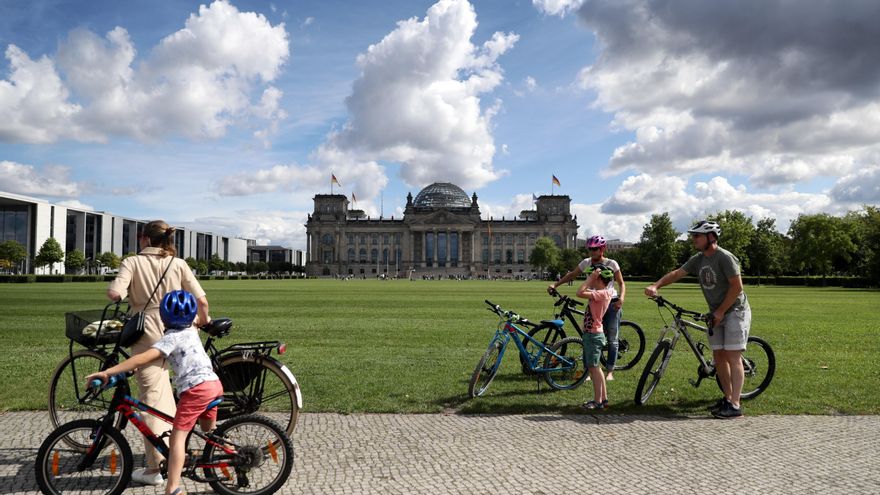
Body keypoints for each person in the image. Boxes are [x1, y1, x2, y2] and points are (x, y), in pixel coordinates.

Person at [87, 290, 222, 495]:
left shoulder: (170, 338)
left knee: (177, 440)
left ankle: (172, 488)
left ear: (163, 316)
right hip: (213, 383)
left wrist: (108, 371)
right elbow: (203, 305)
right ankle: (233, 456)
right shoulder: (192, 328)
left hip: (195, 390)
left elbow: (143, 357)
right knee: (208, 430)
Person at [106, 220, 210, 485]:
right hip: (181, 331)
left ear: (144, 238)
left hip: (147, 332)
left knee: (152, 398)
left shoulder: (132, 262)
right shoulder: (178, 263)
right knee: (187, 387)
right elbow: (202, 300)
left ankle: (155, 468)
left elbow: (115, 292)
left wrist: (117, 294)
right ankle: (194, 443)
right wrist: (203, 321)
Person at [644, 220, 751, 419]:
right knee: (718, 356)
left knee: (732, 356)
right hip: (716, 313)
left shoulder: (725, 258)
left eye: (697, 236)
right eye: (693, 235)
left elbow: (737, 288)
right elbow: (677, 273)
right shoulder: (699, 259)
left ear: (710, 237)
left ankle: (736, 405)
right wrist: (656, 285)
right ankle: (727, 398)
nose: (693, 239)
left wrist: (720, 311)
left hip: (735, 310)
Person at [548, 235, 626, 380]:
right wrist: (555, 284)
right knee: (588, 336)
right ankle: (588, 371)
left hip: (611, 303)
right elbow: (572, 275)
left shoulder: (611, 263)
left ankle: (610, 371)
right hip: (594, 301)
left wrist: (621, 298)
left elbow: (621, 283)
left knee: (612, 338)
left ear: (602, 249)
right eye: (590, 249)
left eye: (595, 249)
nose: (592, 251)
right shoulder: (586, 263)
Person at [575, 264, 615, 410]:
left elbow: (579, 292)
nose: (588, 279)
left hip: (593, 335)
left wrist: (591, 278)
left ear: (597, 277)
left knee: (593, 368)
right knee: (596, 368)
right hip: (592, 333)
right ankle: (603, 399)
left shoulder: (602, 294)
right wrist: (592, 278)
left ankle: (597, 401)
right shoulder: (601, 292)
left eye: (590, 276)